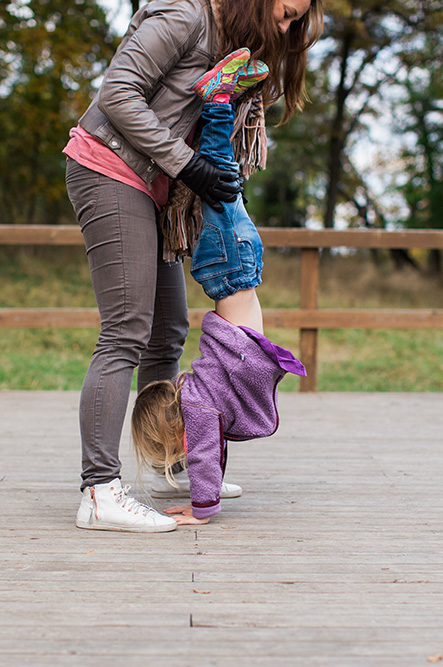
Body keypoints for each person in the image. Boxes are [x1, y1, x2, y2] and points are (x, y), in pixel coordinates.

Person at [65, 0, 324, 533]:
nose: (287, 25)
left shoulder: (230, 43)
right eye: (286, 13)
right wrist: (188, 165)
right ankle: (99, 491)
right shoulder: (184, 15)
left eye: (297, 20)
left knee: (168, 335)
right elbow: (117, 94)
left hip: (151, 186)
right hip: (109, 167)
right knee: (125, 332)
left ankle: (166, 462)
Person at [130, 53, 307, 525]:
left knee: (218, 174)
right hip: (233, 268)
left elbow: (207, 458)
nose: (181, 458)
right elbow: (215, 454)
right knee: (222, 180)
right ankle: (224, 96)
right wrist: (204, 498)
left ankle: (218, 96)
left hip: (231, 268)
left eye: (171, 453)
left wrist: (200, 511)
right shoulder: (203, 402)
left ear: (173, 433)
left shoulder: (201, 408)